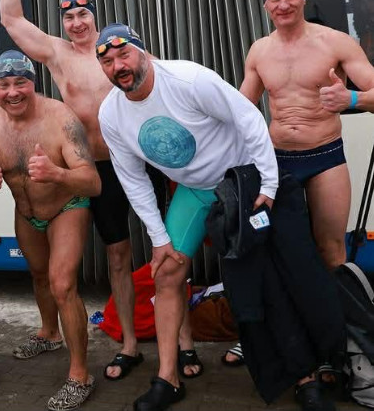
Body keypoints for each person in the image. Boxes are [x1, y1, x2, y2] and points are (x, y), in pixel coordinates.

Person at [0, 0, 176, 380]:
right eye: (69, 17)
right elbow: (11, 20)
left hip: (141, 160)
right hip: (96, 170)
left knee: (171, 249)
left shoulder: (118, 50)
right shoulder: (57, 54)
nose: (76, 23)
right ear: (63, 22)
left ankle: (184, 345)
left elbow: (168, 89)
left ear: (94, 17)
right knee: (117, 255)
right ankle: (131, 345)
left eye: (83, 15)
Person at [95, 24, 280, 411]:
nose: (117, 66)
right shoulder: (111, 113)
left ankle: (293, 365)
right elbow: (132, 179)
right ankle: (168, 377)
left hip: (238, 178)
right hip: (193, 189)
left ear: (144, 53)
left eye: (124, 55)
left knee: (265, 268)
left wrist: (270, 183)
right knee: (166, 271)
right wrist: (159, 238)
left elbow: (247, 117)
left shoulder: (188, 79)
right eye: (107, 61)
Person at [231, 0, 374, 372]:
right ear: (265, 5)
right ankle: (286, 336)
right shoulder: (259, 50)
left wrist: (349, 97)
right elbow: (243, 107)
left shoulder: (335, 43)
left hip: (325, 155)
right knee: (279, 252)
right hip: (277, 161)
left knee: (331, 249)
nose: (283, 5)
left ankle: (343, 343)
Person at [0, 50, 102, 411]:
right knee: (39, 277)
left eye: (21, 83)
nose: (13, 92)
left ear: (33, 83)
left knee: (62, 284)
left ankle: (79, 375)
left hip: (67, 206)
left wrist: (57, 173)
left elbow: (92, 182)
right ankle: (49, 334)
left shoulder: (60, 118)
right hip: (26, 213)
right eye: (4, 85)